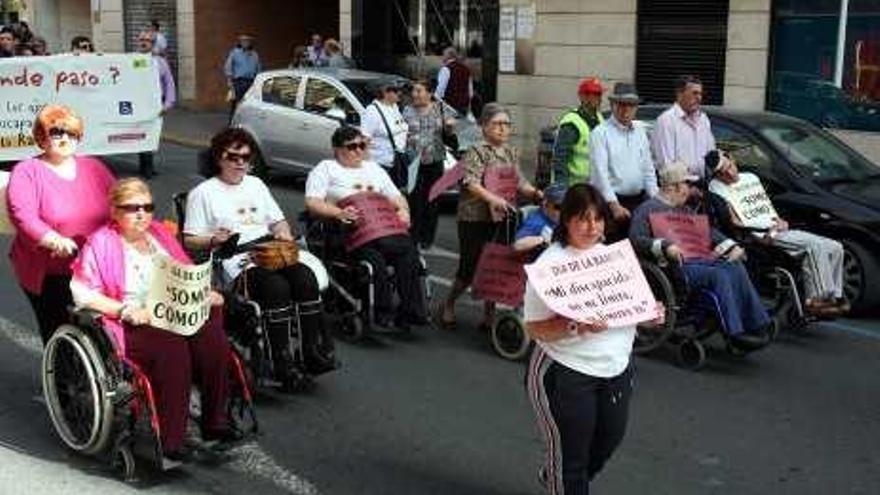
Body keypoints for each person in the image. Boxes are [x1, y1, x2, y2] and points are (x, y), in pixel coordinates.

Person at [71, 178, 234, 465]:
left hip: (173, 312)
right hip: (133, 320)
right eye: (132, 207)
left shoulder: (160, 234)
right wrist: (124, 310)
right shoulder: (102, 242)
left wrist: (205, 294)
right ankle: (172, 440)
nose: (141, 214)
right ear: (114, 211)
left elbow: (185, 271)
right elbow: (82, 293)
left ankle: (216, 421)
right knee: (172, 349)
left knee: (212, 338)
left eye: (147, 207)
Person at [525, 183, 662, 495]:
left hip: (615, 368)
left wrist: (651, 315)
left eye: (598, 219)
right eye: (582, 219)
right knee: (571, 460)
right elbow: (534, 329)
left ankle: (557, 476)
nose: (591, 227)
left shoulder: (613, 258)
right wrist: (576, 326)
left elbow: (633, 307)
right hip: (565, 370)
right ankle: (563, 479)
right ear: (566, 221)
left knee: (606, 442)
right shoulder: (550, 265)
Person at [184, 128, 337, 391]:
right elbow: (189, 239)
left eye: (246, 157)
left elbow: (277, 220)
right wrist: (212, 240)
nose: (241, 163)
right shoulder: (203, 193)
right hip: (236, 258)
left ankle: (312, 352)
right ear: (219, 157)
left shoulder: (256, 184)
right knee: (275, 288)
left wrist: (283, 232)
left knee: (305, 278)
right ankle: (282, 364)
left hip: (271, 250)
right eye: (234, 157)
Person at [629, 162, 772, 352]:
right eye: (687, 185)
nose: (690, 189)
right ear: (674, 186)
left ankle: (756, 321)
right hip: (673, 268)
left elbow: (708, 232)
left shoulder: (685, 210)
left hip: (699, 260)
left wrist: (732, 246)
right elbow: (636, 240)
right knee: (718, 276)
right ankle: (734, 332)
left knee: (735, 266)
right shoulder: (647, 209)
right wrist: (665, 246)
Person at [6, 105, 116, 345]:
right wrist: (53, 239)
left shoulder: (94, 167)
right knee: (59, 329)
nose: (65, 138)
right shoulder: (27, 171)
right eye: (57, 132)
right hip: (50, 270)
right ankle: (62, 379)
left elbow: (120, 201)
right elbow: (22, 215)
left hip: (96, 265)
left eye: (72, 133)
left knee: (108, 325)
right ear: (42, 138)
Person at [305, 126, 428, 332]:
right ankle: (382, 312)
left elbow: (397, 197)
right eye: (352, 146)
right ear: (337, 149)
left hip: (383, 227)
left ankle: (411, 311)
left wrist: (404, 211)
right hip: (350, 229)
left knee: (408, 251)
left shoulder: (374, 169)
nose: (359, 151)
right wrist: (338, 213)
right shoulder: (325, 168)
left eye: (362, 145)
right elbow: (312, 202)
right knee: (374, 258)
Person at [706, 150, 849, 316]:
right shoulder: (716, 187)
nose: (729, 174)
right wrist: (764, 233)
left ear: (732, 160)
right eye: (722, 173)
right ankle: (816, 301)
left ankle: (834, 298)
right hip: (762, 234)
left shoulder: (751, 178)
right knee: (815, 247)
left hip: (777, 227)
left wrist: (780, 221)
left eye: (729, 167)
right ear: (717, 175)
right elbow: (735, 222)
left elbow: (765, 206)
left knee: (835, 247)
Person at [438, 103, 541, 330]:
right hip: (474, 217)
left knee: (496, 263)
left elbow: (519, 182)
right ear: (484, 127)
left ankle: (489, 314)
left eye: (506, 124)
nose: (503, 129)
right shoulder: (475, 151)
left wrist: (535, 193)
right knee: (470, 266)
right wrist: (492, 198)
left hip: (502, 216)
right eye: (497, 124)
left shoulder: (510, 152)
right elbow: (471, 182)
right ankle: (448, 303)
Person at [589, 82, 658, 241]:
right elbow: (600, 174)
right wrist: (614, 205)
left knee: (637, 250)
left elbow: (648, 169)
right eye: (621, 104)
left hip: (639, 202)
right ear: (613, 105)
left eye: (631, 105)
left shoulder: (640, 132)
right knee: (615, 250)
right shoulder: (600, 133)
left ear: (636, 107)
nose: (626, 109)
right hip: (611, 204)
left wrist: (655, 200)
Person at [403, 79, 454, 249]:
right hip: (413, 161)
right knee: (414, 198)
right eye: (414, 91)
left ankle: (427, 237)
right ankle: (413, 235)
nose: (415, 94)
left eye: (419, 91)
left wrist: (449, 127)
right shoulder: (407, 110)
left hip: (435, 159)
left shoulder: (440, 108)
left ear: (429, 93)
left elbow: (452, 129)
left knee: (432, 199)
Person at [651, 75, 716, 179]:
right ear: (679, 94)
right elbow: (666, 167)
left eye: (700, 94)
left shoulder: (703, 119)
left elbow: (711, 155)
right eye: (694, 93)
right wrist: (688, 188)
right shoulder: (666, 121)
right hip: (679, 187)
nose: (699, 98)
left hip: (705, 183)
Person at [136, 30, 176, 178]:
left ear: (153, 44)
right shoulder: (132, 60)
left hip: (155, 103)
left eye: (148, 41)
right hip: (138, 103)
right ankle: (145, 166)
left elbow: (169, 83)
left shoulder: (161, 62)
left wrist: (168, 103)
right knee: (140, 133)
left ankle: (148, 165)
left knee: (152, 134)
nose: (144, 43)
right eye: (142, 40)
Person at [552, 77, 605, 187]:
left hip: (593, 186)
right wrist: (561, 188)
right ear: (582, 96)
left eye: (599, 94)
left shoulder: (600, 118)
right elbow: (560, 159)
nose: (598, 98)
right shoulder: (571, 122)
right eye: (593, 94)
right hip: (574, 188)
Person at [362, 81, 409, 188]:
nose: (400, 93)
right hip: (380, 165)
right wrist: (367, 168)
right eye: (397, 91)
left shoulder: (394, 107)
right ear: (385, 93)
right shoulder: (372, 111)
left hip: (396, 162)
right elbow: (365, 140)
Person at [513, 183, 566, 254]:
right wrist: (542, 238)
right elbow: (517, 245)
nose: (564, 211)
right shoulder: (537, 221)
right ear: (545, 205)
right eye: (559, 207)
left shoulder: (566, 216)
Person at [224, 34, 261, 119]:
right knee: (236, 105)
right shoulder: (235, 53)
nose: (245, 43)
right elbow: (228, 67)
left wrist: (256, 82)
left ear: (250, 43)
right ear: (240, 42)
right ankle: (232, 125)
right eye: (243, 41)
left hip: (251, 82)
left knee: (249, 105)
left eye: (248, 41)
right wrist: (229, 81)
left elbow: (258, 69)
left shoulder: (255, 54)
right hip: (239, 82)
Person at [434, 46, 473, 116]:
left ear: (448, 56)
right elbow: (470, 91)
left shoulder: (446, 69)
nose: (442, 57)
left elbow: (441, 88)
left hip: (449, 106)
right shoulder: (466, 69)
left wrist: (435, 101)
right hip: (464, 105)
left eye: (443, 55)